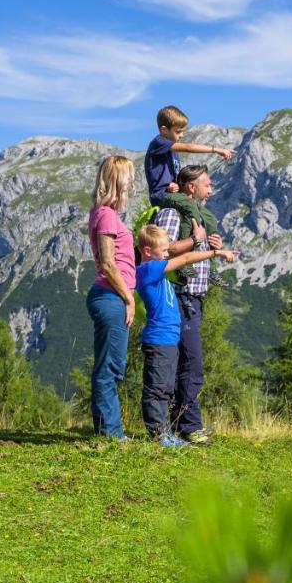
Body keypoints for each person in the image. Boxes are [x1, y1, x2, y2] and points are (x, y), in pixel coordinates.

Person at [134, 224, 238, 445]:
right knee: (158, 387)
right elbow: (185, 259)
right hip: (159, 338)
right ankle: (157, 434)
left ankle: (165, 431)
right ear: (146, 250)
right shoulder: (147, 270)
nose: (166, 253)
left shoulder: (158, 271)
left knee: (167, 387)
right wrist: (217, 252)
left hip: (169, 339)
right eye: (162, 250)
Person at [154, 164, 224, 444]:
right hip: (180, 296)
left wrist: (212, 246)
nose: (211, 189)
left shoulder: (196, 216)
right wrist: (196, 240)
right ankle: (189, 425)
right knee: (191, 363)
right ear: (191, 187)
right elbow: (163, 248)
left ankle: (182, 422)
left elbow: (193, 251)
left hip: (194, 297)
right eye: (207, 184)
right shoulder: (172, 213)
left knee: (187, 361)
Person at [85, 155, 137, 439]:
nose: (132, 182)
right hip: (111, 297)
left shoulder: (106, 214)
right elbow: (107, 263)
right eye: (128, 176)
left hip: (112, 296)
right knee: (110, 367)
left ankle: (110, 430)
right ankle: (111, 433)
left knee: (111, 364)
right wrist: (129, 298)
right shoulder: (106, 215)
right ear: (117, 179)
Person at [145, 105, 234, 206]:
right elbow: (188, 147)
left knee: (205, 215)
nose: (182, 135)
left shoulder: (173, 152)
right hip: (160, 196)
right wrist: (216, 150)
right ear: (164, 130)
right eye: (178, 132)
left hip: (172, 195)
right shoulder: (158, 142)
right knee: (190, 207)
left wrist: (177, 185)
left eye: (183, 131)